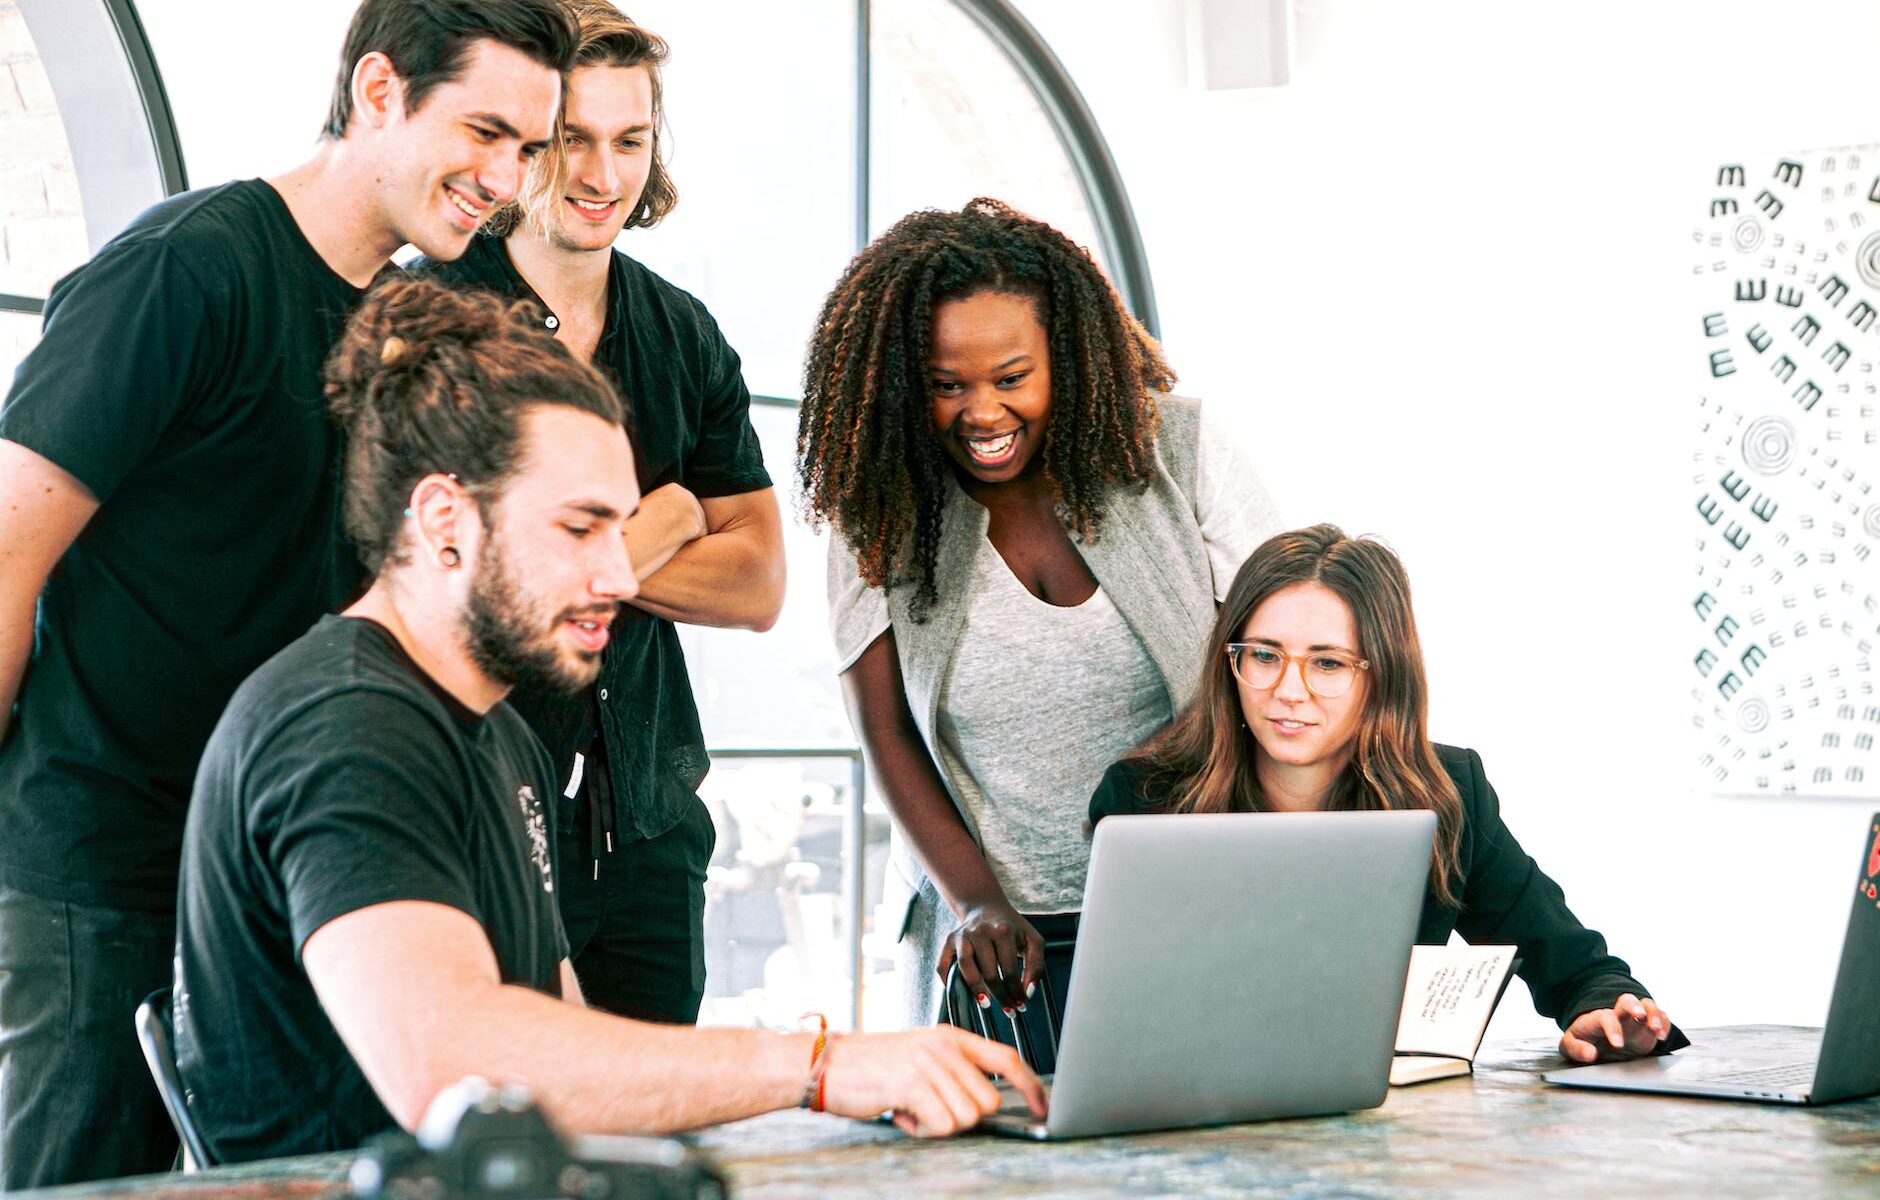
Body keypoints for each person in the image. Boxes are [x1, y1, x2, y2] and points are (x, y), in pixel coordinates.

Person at [172, 277, 1043, 1164]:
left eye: (620, 530)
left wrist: (843, 1092)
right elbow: (458, 1070)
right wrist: (819, 1067)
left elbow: (568, 1047)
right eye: (580, 529)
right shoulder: (346, 728)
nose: (622, 579)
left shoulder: (499, 733)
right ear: (443, 519)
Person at [0, 1, 577, 1186]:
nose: (507, 178)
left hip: (283, 868)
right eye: (485, 131)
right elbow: (7, 548)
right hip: (105, 861)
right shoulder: (186, 270)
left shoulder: (411, 314)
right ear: (377, 90)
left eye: (529, 148)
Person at [797, 199, 1281, 1026]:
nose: (982, 414)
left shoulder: (1181, 451)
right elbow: (885, 731)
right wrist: (977, 903)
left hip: (1189, 901)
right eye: (947, 385)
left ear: (1070, 357)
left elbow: (1272, 665)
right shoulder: (877, 504)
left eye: (1012, 378)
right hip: (994, 939)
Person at [415, 1, 784, 1026]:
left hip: (650, 833)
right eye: (571, 139)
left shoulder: (683, 332)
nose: (601, 175)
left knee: (648, 1163)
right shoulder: (430, 317)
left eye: (630, 141)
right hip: (477, 820)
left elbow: (757, 581)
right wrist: (667, 516)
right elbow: (451, 577)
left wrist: (569, 554)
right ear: (524, 141)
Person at [1088, 524, 1686, 1063]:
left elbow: (1574, 965)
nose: (1288, 690)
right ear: (1230, 664)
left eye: (1327, 664)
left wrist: (1607, 1013)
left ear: (1381, 675)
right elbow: (1117, 1012)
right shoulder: (1146, 801)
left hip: (1378, 1127)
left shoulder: (1447, 794)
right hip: (1188, 1114)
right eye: (1265, 655)